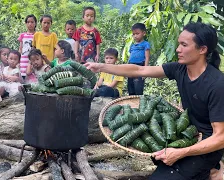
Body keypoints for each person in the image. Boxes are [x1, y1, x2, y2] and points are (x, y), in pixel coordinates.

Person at [85, 22, 224, 180]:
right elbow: (139, 70)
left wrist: (180, 152)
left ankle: (213, 168)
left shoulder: (217, 84)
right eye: (179, 43)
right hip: (186, 135)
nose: (178, 49)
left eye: (184, 45)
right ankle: (209, 172)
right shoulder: (180, 69)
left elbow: (220, 138)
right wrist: (101, 66)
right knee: (158, 157)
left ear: (202, 49)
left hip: (205, 147)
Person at [127, 23, 150, 95]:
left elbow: (147, 57)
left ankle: (138, 103)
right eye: (133, 34)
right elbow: (130, 57)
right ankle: (131, 104)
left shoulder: (145, 44)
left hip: (140, 66)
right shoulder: (132, 45)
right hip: (131, 66)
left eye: (137, 33)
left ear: (144, 33)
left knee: (138, 87)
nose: (135, 36)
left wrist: (145, 70)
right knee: (130, 86)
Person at [18, 14, 37, 80]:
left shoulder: (37, 35)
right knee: (22, 79)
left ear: (35, 23)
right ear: (26, 23)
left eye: (32, 22)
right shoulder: (22, 35)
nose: (30, 24)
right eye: (28, 22)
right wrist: (18, 61)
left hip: (33, 61)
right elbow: (20, 49)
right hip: (23, 61)